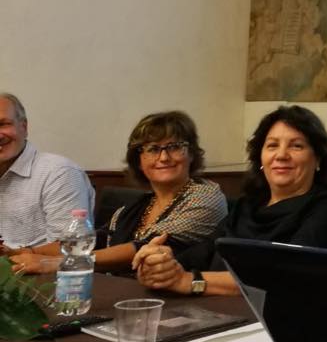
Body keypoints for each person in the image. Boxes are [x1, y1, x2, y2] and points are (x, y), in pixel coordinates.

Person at [134, 105, 327, 296]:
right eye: (272, 145)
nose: (281, 155)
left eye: (297, 146)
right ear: (261, 158)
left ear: (318, 159)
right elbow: (203, 252)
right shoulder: (247, 205)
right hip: (218, 318)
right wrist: (160, 264)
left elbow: (284, 276)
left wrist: (192, 281)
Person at [8, 111, 227, 275]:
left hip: (181, 303)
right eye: (152, 149)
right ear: (138, 161)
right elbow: (93, 242)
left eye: (174, 147)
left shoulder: (205, 196)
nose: (163, 158)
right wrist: (25, 252)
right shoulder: (134, 207)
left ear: (191, 155)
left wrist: (53, 264)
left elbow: (143, 248)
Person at [0, 92, 95, 252]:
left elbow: (73, 245)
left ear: (23, 127)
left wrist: (15, 255)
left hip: (43, 275)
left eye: (3, 124)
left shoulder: (59, 173)